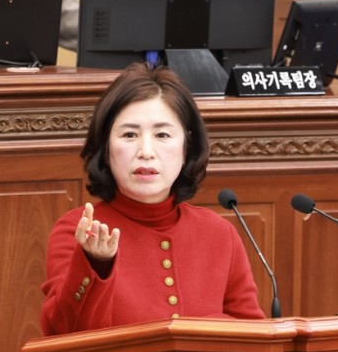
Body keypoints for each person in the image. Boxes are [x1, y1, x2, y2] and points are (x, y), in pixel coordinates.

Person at [40, 62, 265, 335]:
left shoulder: (219, 233)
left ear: (187, 146)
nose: (146, 151)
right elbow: (62, 334)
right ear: (106, 147)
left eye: (162, 135)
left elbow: (252, 336)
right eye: (129, 135)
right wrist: (94, 263)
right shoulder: (78, 231)